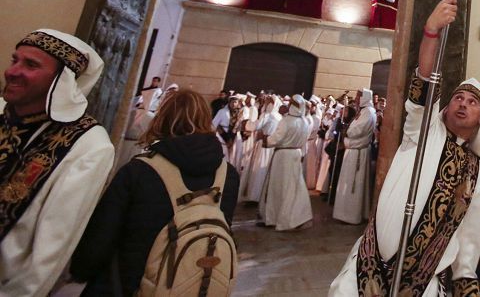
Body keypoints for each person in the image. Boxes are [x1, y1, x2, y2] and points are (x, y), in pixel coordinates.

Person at [329, 0, 480, 296]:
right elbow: (426, 85)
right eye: (458, 98)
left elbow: (469, 236)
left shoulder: (477, 172)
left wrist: (467, 282)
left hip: (422, 283)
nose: (463, 104)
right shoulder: (425, 132)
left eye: (472, 102)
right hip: (366, 269)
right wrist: (431, 31)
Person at [69, 89, 240, 294]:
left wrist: (81, 270)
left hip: (130, 283)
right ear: (206, 120)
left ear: (162, 119)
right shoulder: (228, 175)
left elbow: (101, 235)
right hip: (192, 284)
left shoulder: (138, 171)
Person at [0, 30, 115, 296]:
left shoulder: (88, 145)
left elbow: (49, 250)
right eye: (14, 60)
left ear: (61, 80)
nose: (12, 71)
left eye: (30, 65)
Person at [259, 94, 312, 231]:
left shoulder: (286, 121)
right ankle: (297, 217)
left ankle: (276, 218)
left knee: (280, 188)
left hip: (283, 157)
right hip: (296, 154)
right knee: (294, 187)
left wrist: (265, 139)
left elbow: (276, 138)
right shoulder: (305, 121)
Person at [333, 88, 377, 224]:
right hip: (352, 150)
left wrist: (347, 131)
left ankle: (351, 215)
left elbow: (356, 131)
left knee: (354, 184)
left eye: (359, 97)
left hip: (358, 153)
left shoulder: (368, 112)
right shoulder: (362, 111)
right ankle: (344, 213)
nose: (356, 99)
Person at [239, 94, 281, 202]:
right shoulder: (279, 116)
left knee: (258, 170)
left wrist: (244, 123)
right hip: (272, 146)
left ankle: (255, 196)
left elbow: (255, 126)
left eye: (269, 102)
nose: (267, 104)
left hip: (263, 146)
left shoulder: (267, 115)